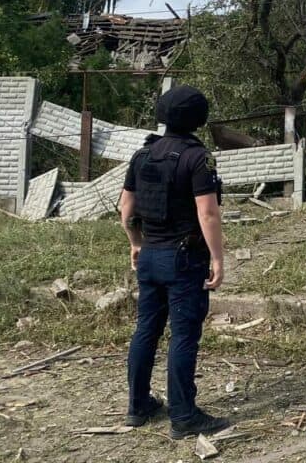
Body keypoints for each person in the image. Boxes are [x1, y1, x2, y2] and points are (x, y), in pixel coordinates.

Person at [119, 85, 230, 440]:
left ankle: (138, 407)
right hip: (184, 258)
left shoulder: (142, 155)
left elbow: (126, 208)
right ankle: (183, 415)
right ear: (199, 118)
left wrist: (135, 243)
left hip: (150, 253)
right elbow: (207, 212)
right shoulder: (199, 158)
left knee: (145, 331)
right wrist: (217, 257)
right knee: (183, 335)